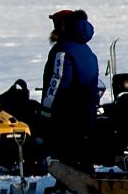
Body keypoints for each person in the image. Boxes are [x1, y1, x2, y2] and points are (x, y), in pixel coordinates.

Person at [41, 9, 102, 168]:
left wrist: (46, 109)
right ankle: (83, 181)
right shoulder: (86, 50)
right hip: (86, 108)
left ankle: (65, 186)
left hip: (67, 109)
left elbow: (58, 80)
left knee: (66, 150)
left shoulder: (63, 50)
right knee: (83, 149)